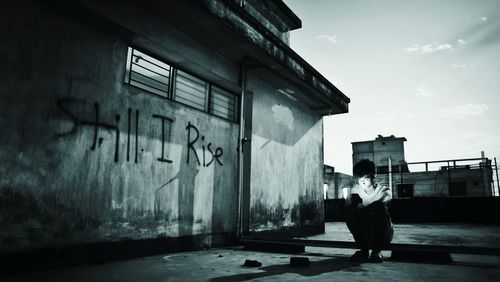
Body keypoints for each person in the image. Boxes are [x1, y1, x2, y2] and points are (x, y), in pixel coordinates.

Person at [345, 159, 394, 263]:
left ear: (374, 177)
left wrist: (361, 210)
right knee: (350, 211)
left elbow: (381, 204)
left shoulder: (384, 190)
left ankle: (376, 251)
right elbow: (347, 210)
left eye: (366, 178)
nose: (362, 181)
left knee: (380, 209)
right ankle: (364, 251)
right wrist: (351, 204)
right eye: (359, 178)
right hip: (364, 234)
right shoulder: (355, 190)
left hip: (383, 235)